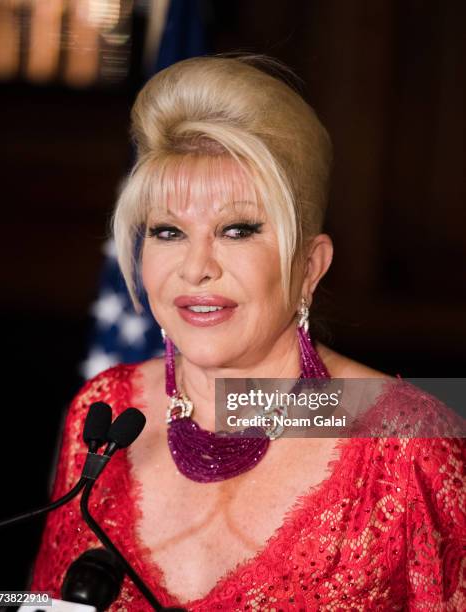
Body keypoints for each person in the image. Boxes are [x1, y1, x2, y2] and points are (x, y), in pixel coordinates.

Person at [31, 55, 465, 610]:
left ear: (309, 266)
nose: (196, 268)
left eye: (237, 230)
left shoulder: (410, 445)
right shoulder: (103, 413)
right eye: (168, 231)